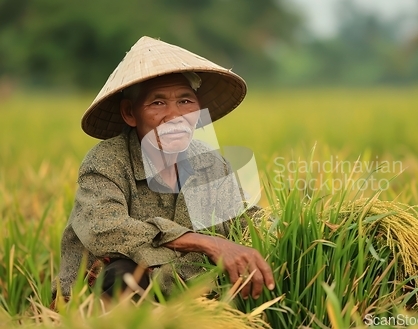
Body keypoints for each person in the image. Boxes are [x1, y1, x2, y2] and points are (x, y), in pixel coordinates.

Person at [52, 36, 275, 303]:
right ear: (129, 113)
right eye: (157, 103)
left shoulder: (210, 162)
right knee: (121, 274)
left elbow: (243, 219)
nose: (174, 116)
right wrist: (206, 243)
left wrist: (294, 229)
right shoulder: (106, 162)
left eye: (185, 102)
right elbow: (104, 229)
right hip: (101, 297)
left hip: (183, 289)